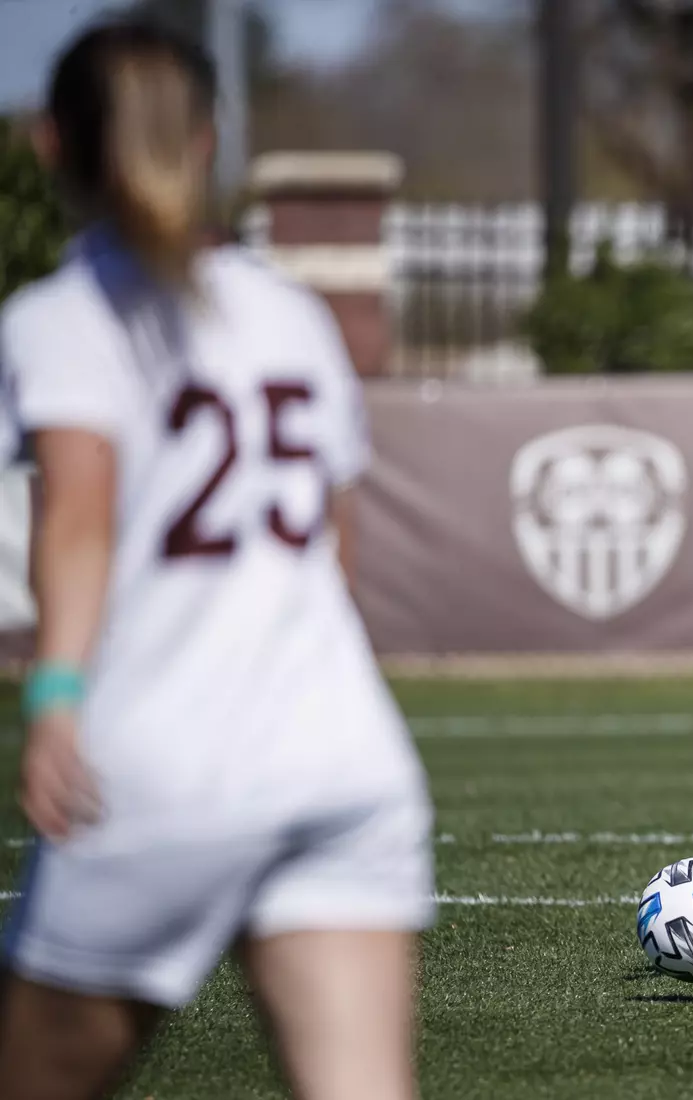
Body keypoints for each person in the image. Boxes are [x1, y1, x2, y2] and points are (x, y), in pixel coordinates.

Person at [0, 22, 431, 1099]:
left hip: (159, 767)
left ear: (51, 144)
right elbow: (335, 553)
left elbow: (77, 518)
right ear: (208, 140)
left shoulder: (60, 318)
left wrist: (54, 697)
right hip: (343, 759)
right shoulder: (291, 314)